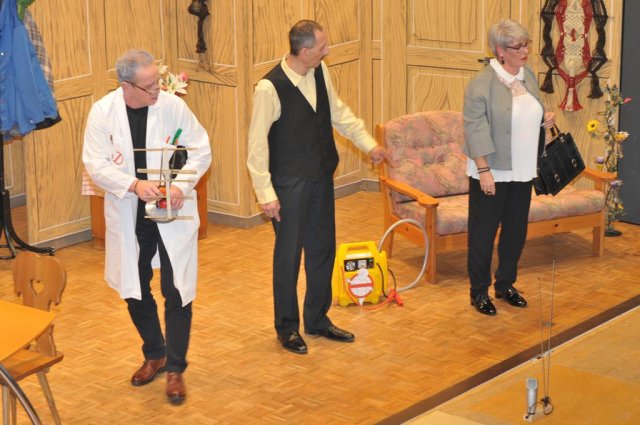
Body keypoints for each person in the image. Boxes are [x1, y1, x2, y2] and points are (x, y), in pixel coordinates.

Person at [247, 20, 386, 354]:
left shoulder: (320, 71)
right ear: (305, 50)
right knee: (288, 257)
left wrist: (369, 144)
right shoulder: (269, 88)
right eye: (323, 47)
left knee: (323, 250)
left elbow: (339, 114)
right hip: (288, 185)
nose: (328, 51)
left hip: (320, 176)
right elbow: (257, 145)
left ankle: (317, 319)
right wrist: (265, 194)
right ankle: (287, 328)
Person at [82, 49, 211, 403]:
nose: (158, 90)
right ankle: (155, 353)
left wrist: (180, 186)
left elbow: (201, 150)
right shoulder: (103, 112)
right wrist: (134, 185)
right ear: (126, 85)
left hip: (172, 210)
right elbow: (95, 164)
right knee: (134, 287)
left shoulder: (171, 106)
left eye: (158, 82)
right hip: (129, 210)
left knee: (176, 287)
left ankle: (176, 369)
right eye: (149, 86)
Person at [463, 19, 555, 316]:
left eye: (527, 44)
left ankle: (505, 284)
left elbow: (529, 112)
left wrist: (544, 119)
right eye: (518, 46)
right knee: (483, 234)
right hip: (492, 171)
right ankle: (479, 291)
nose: (525, 51)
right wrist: (484, 171)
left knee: (515, 232)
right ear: (500, 50)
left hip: (523, 169)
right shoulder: (482, 83)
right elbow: (474, 129)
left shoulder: (527, 75)